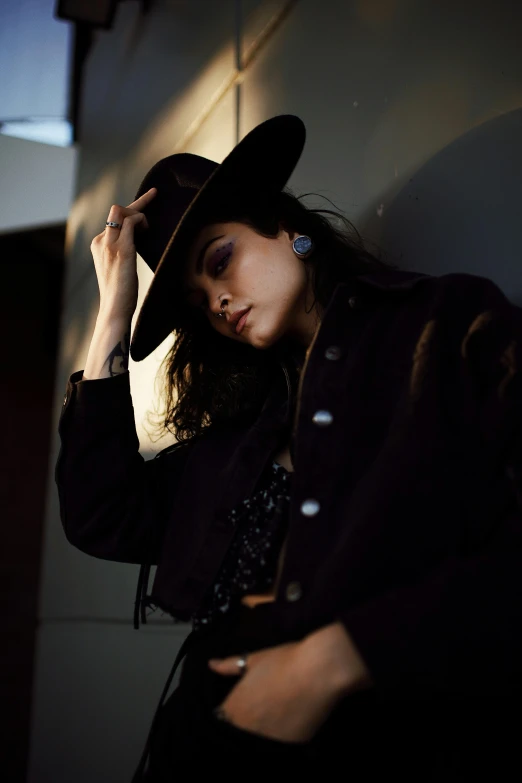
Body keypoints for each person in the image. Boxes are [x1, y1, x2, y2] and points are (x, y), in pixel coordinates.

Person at [56, 116, 522, 781]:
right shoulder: (241, 437)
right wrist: (113, 310)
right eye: (198, 301)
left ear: (287, 229)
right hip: (197, 746)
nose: (216, 300)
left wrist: (335, 659)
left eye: (221, 260)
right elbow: (99, 513)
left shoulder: (443, 328)